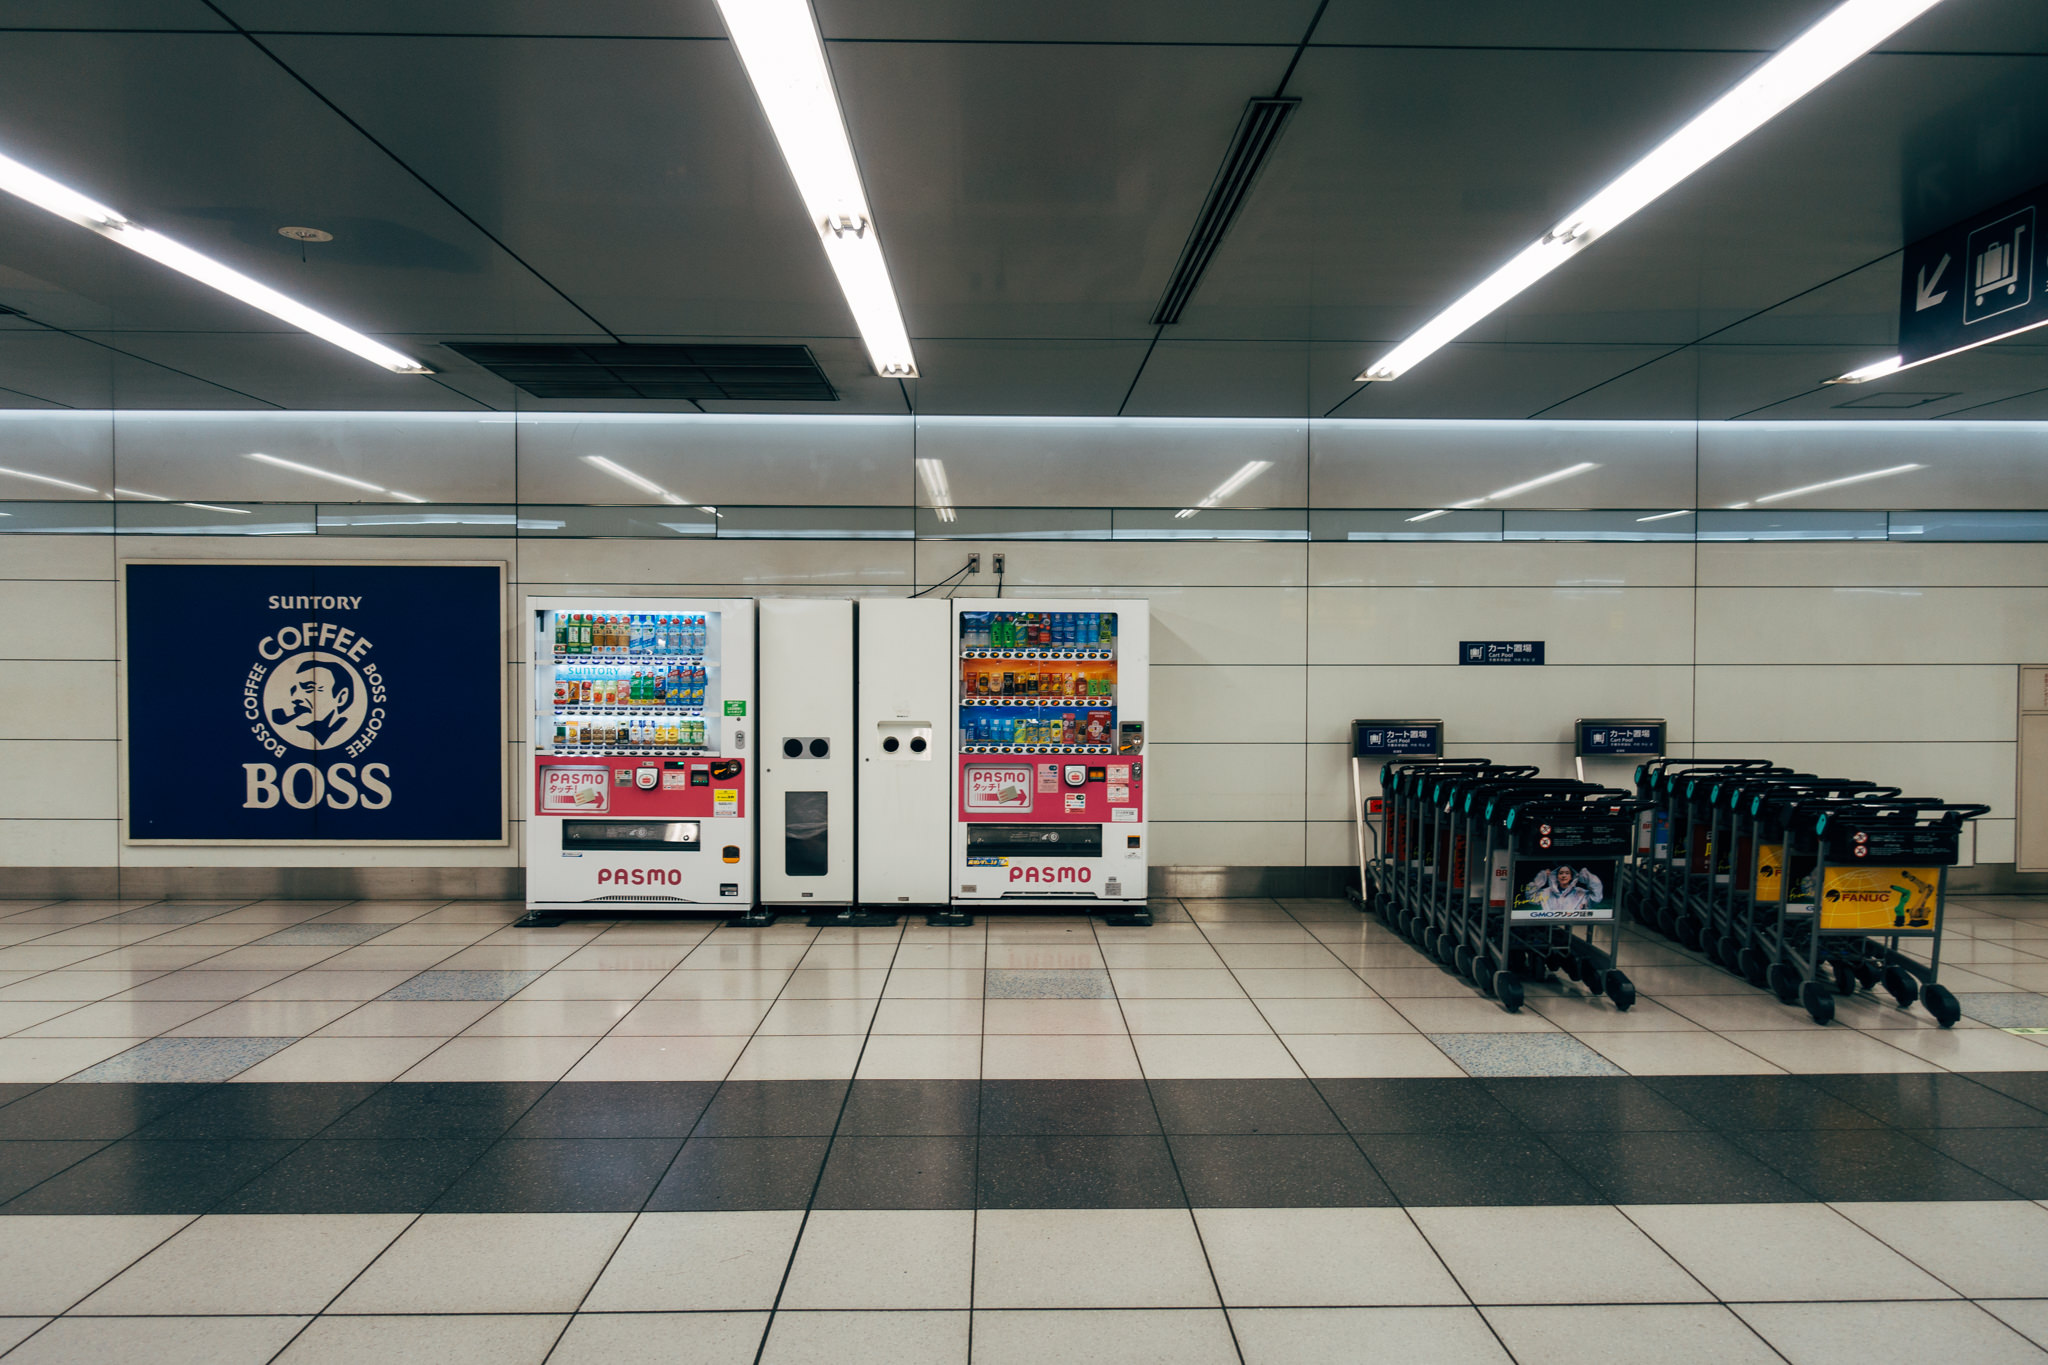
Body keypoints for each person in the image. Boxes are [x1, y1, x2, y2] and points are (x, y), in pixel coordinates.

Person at [269, 657, 356, 748]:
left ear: (342, 698)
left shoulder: (345, 732)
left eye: (309, 688)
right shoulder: (291, 733)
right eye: (293, 690)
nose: (295, 698)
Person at [1522, 864, 1604, 916]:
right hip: (1549, 926)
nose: (1564, 876)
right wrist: (1541, 877)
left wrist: (1587, 876)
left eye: (1567, 873)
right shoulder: (1546, 892)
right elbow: (1530, 897)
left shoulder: (1580, 893)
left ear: (1572, 876)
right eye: (1561, 873)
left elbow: (1597, 896)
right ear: (1556, 876)